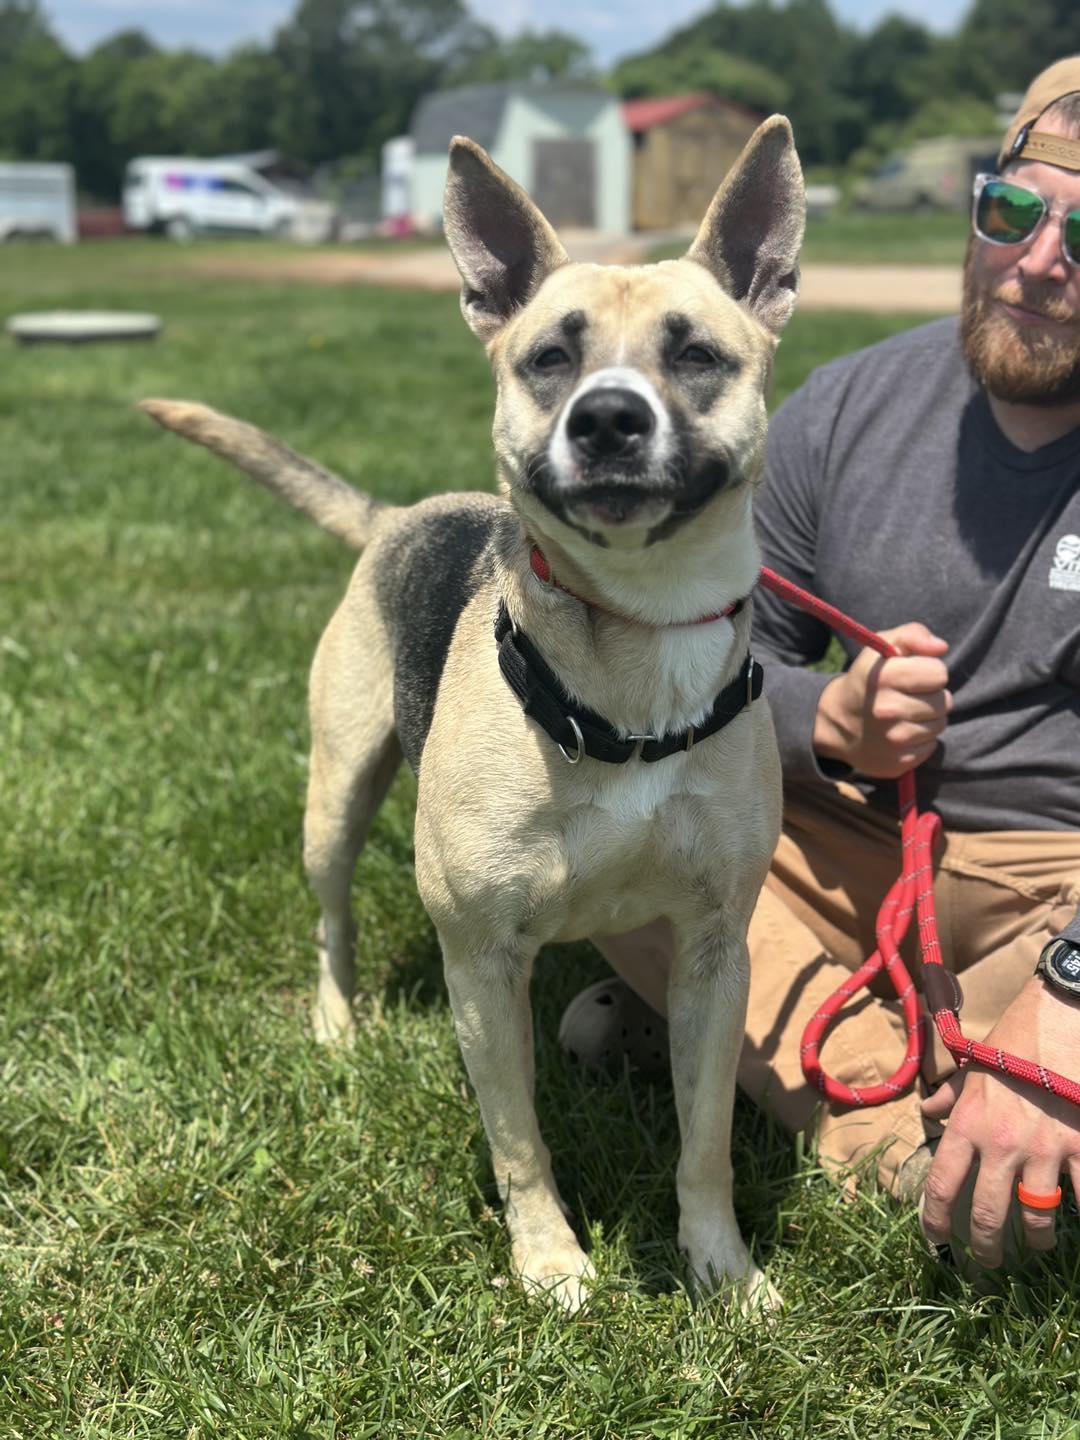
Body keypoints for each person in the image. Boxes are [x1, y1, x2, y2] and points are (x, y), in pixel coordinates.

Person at [561, 57, 1080, 1274]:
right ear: (979, 205)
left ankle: (773, 1040)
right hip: (840, 839)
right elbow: (716, 657)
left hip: (1051, 877)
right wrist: (831, 720)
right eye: (1015, 210)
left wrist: (1068, 992)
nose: (1041, 260)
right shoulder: (848, 406)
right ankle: (901, 1130)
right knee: (618, 825)